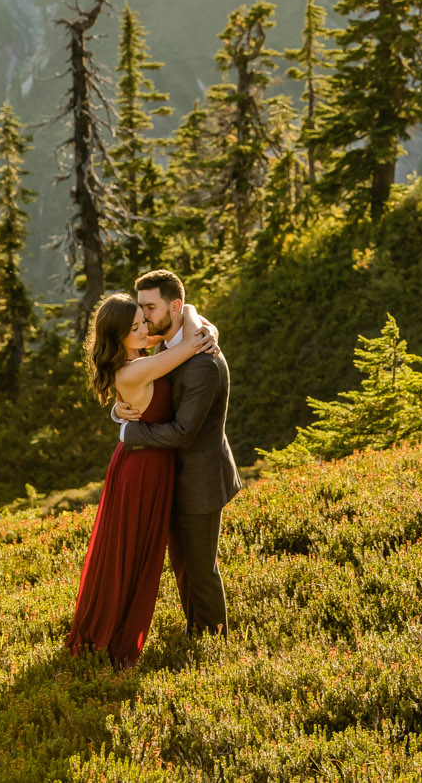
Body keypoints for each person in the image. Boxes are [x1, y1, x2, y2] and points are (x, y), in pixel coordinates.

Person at [65, 292, 219, 665]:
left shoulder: (136, 353)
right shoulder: (134, 368)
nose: (145, 329)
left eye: (143, 321)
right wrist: (206, 332)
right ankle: (111, 636)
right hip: (141, 469)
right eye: (135, 327)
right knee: (130, 553)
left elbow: (183, 324)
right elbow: (189, 343)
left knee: (136, 551)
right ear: (119, 336)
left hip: (148, 463)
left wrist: (196, 316)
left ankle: (114, 627)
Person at [113, 268, 243, 636]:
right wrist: (117, 411)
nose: (143, 318)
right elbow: (148, 395)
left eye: (150, 308)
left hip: (200, 477)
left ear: (174, 307)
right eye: (140, 308)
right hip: (169, 475)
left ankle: (215, 641)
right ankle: (195, 633)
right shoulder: (164, 345)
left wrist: (130, 432)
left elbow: (184, 431)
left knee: (201, 568)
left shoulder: (203, 359)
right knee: (182, 565)